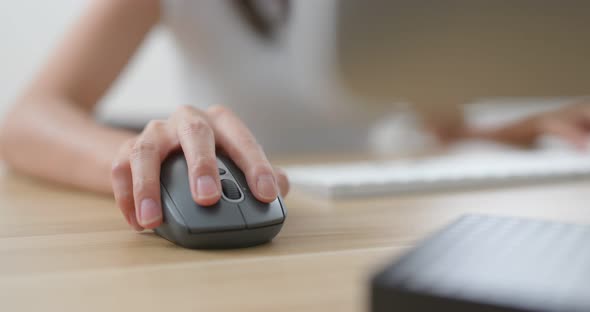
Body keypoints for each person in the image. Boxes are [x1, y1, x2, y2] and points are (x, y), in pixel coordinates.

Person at [0, 0, 588, 232]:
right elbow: (26, 119)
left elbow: (444, 130)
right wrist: (132, 157)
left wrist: (523, 129)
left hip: (360, 227)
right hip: (240, 210)